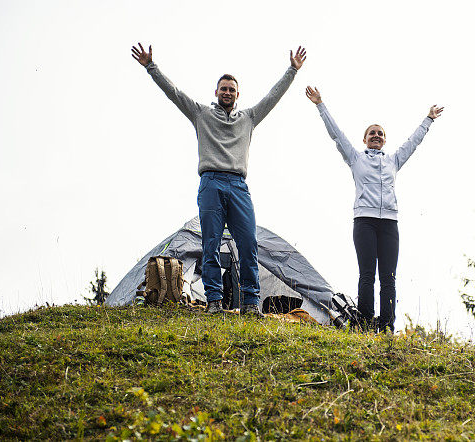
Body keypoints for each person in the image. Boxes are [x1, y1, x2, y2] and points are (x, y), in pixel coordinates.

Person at [131, 42, 306, 316]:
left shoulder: (248, 117)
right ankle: (214, 300)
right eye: (223, 89)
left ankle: (250, 302)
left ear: (238, 95)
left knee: (248, 244)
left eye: (232, 90)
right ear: (216, 92)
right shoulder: (201, 114)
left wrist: (292, 71)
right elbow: (174, 94)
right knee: (210, 244)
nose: (227, 93)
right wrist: (151, 67)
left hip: (238, 185)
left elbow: (273, 97)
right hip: (211, 182)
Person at [305, 85, 443, 332]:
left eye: (380, 133)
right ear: (365, 139)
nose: (377, 136)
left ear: (385, 139)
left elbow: (413, 142)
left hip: (389, 224)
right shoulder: (356, 158)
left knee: (388, 278)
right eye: (372, 133)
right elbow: (336, 135)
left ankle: (387, 325)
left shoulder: (393, 161)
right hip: (365, 222)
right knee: (367, 275)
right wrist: (320, 105)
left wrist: (428, 119)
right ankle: (366, 323)